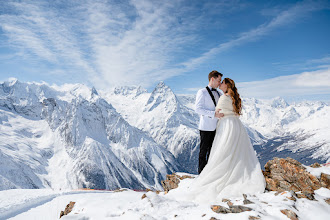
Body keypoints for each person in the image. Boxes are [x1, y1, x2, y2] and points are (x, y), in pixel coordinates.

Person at [188, 78, 266, 203]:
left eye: (222, 82)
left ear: (227, 85)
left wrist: (215, 114)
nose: (220, 84)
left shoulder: (223, 97)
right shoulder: (231, 96)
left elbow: (218, 111)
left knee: (223, 151)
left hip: (226, 126)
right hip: (236, 125)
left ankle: (212, 175)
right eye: (219, 81)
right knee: (235, 151)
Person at [195, 70, 224, 174]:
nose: (220, 83)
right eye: (218, 80)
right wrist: (213, 114)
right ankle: (201, 174)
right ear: (212, 79)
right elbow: (198, 109)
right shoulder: (202, 92)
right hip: (206, 127)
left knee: (213, 151)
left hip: (218, 126)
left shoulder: (219, 93)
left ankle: (210, 173)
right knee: (203, 152)